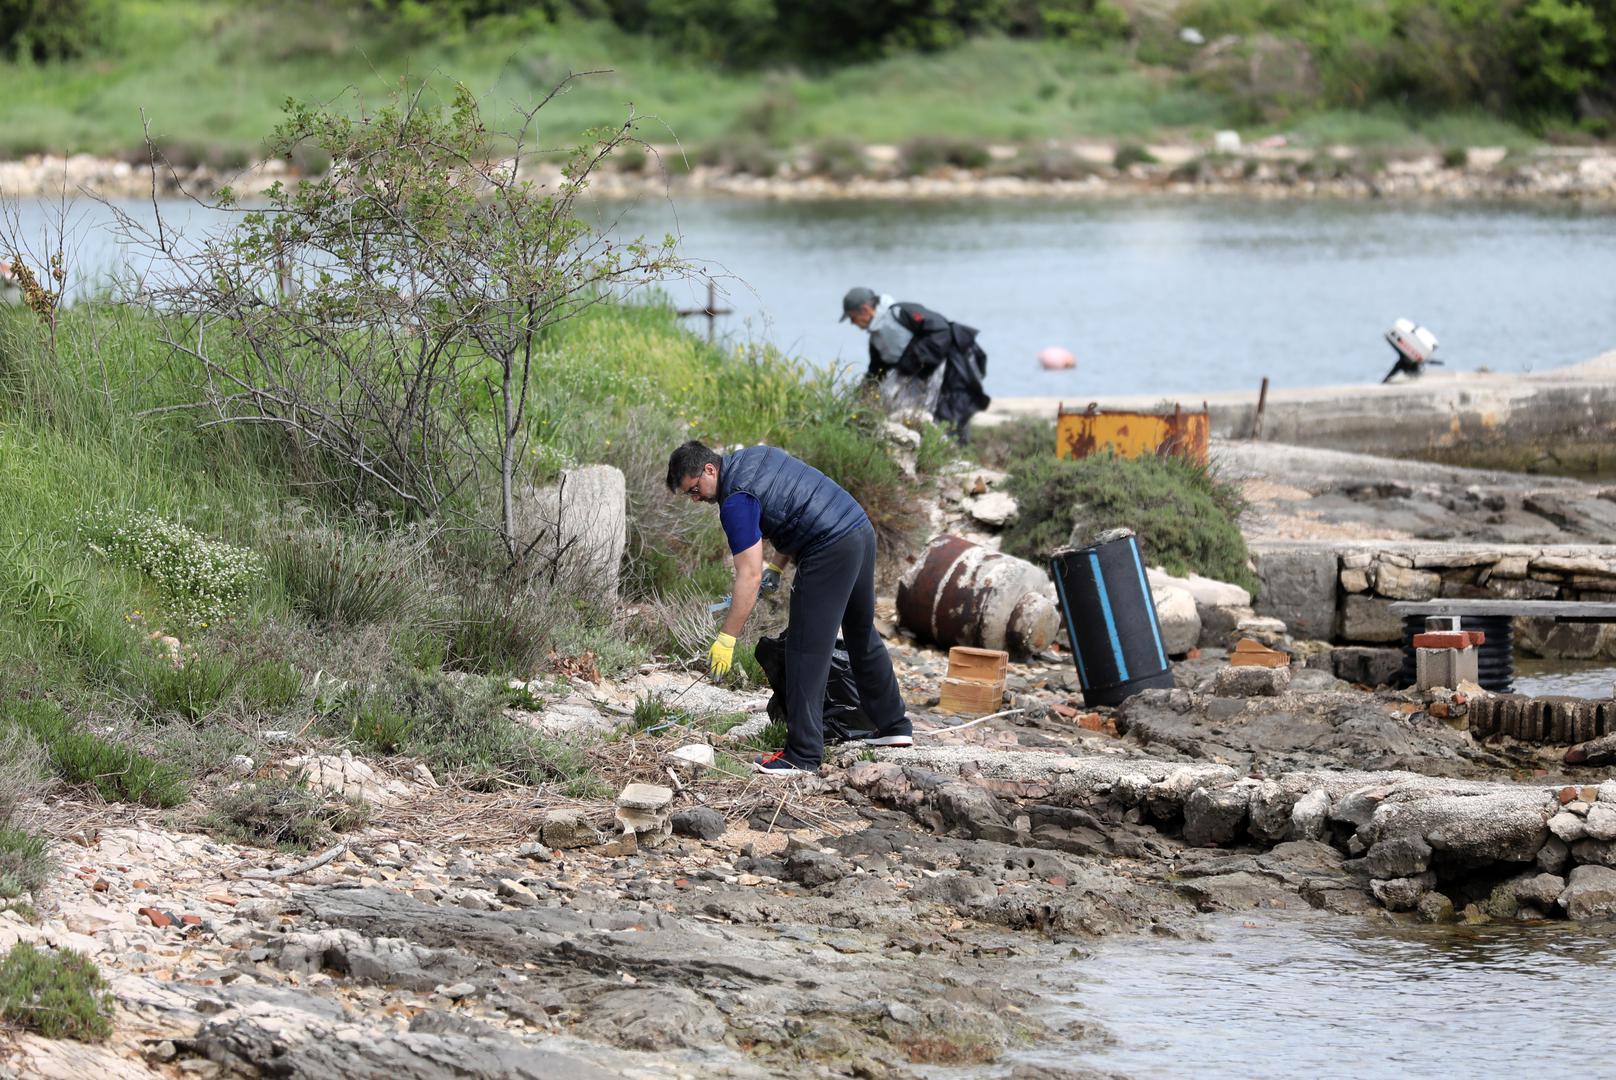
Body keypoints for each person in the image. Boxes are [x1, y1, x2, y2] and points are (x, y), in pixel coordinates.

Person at [666, 440, 912, 776]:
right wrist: (778, 566)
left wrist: (727, 638)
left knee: (804, 650)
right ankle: (894, 726)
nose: (696, 499)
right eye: (690, 495)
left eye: (695, 489)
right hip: (857, 527)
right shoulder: (756, 455)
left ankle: (803, 755)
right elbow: (797, 502)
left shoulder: (735, 501)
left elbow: (748, 576)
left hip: (831, 546)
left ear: (710, 469)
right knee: (860, 632)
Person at [840, 286, 991, 443]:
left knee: (952, 414)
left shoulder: (902, 312)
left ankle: (958, 454)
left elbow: (941, 331)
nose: (852, 323)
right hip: (922, 379)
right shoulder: (876, 339)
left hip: (947, 372)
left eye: (852, 317)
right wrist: (861, 394)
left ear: (864, 310)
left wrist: (911, 362)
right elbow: (877, 371)